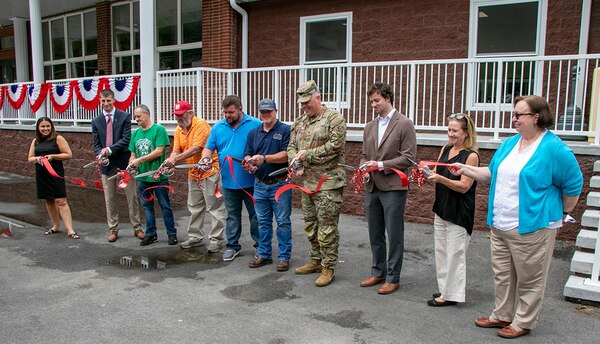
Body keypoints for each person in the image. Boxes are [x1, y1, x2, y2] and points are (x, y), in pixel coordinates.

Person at [451, 96, 582, 339]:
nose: (514, 118)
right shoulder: (511, 143)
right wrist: (465, 169)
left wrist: (562, 213)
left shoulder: (554, 148)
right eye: (514, 113)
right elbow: (492, 173)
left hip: (532, 226)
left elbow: (573, 184)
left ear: (536, 117)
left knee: (531, 278)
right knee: (502, 274)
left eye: (519, 114)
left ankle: (523, 321)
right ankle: (501, 314)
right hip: (501, 223)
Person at [359, 82, 416, 295]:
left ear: (388, 98)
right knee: (375, 233)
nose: (373, 104)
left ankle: (393, 277)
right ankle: (378, 272)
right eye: (371, 101)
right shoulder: (369, 126)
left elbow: (409, 158)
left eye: (377, 100)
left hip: (393, 187)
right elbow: (365, 155)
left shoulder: (405, 124)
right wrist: (364, 168)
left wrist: (381, 165)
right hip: (372, 186)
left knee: (394, 234)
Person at [288, 80, 346, 287]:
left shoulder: (334, 119)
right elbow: (291, 147)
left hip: (328, 183)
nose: (304, 106)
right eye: (301, 103)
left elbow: (335, 147)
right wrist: (295, 160)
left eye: (307, 102)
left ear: (317, 98)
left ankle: (328, 267)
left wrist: (307, 156)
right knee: (311, 224)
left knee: (327, 227)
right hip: (307, 183)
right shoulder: (299, 122)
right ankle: (315, 259)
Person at [426, 113, 479, 306]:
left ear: (466, 133)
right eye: (449, 129)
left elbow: (464, 186)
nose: (450, 134)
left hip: (459, 211)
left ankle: (452, 295)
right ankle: (445, 289)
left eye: (455, 131)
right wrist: (429, 174)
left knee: (455, 254)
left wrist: (441, 179)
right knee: (441, 251)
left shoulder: (471, 156)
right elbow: (437, 171)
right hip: (442, 207)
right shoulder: (446, 149)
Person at [201, 95, 261, 261]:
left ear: (240, 110)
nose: (228, 115)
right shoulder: (218, 127)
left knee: (256, 216)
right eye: (225, 112)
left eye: (231, 112)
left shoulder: (255, 124)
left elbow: (263, 148)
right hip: (228, 182)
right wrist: (205, 159)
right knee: (232, 216)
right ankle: (232, 246)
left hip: (252, 182)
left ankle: (260, 247)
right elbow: (208, 148)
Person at [163, 100, 226, 253]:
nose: (178, 118)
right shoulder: (179, 129)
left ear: (190, 113)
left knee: (214, 207)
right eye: (176, 115)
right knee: (195, 206)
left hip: (210, 171)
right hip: (193, 173)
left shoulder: (200, 124)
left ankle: (216, 239)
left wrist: (175, 159)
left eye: (181, 115)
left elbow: (196, 148)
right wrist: (171, 159)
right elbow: (176, 150)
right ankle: (195, 237)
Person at [243, 99, 293, 272]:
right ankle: (264, 254)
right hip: (259, 184)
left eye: (269, 111)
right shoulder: (253, 133)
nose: (266, 115)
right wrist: (249, 162)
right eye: (263, 112)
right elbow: (247, 153)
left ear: (276, 111)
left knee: (283, 222)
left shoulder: (286, 130)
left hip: (280, 184)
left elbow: (287, 155)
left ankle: (284, 257)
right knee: (262, 222)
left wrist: (264, 158)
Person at [92, 89, 143, 242]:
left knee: (132, 196)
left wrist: (110, 150)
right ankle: (113, 229)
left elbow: (126, 139)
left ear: (114, 100)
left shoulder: (124, 116)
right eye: (103, 101)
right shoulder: (96, 121)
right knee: (109, 198)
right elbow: (96, 144)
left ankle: (137, 227)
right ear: (100, 101)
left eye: (108, 100)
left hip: (124, 163)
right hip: (106, 165)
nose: (106, 104)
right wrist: (101, 155)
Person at [129, 104, 178, 246]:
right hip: (142, 177)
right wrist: (132, 163)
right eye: (135, 117)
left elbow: (158, 151)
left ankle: (171, 233)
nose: (136, 119)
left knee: (165, 205)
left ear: (147, 114)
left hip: (158, 176)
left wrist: (139, 160)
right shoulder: (135, 134)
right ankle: (151, 234)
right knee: (147, 206)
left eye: (139, 116)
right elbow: (132, 154)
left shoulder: (159, 130)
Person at [27, 117, 79, 239]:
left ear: (52, 127)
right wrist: (37, 159)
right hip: (42, 174)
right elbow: (30, 158)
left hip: (55, 174)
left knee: (61, 201)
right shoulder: (35, 141)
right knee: (49, 200)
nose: (45, 129)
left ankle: (70, 230)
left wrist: (53, 156)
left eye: (48, 126)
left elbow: (68, 154)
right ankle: (55, 226)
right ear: (38, 128)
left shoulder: (58, 138)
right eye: (43, 126)